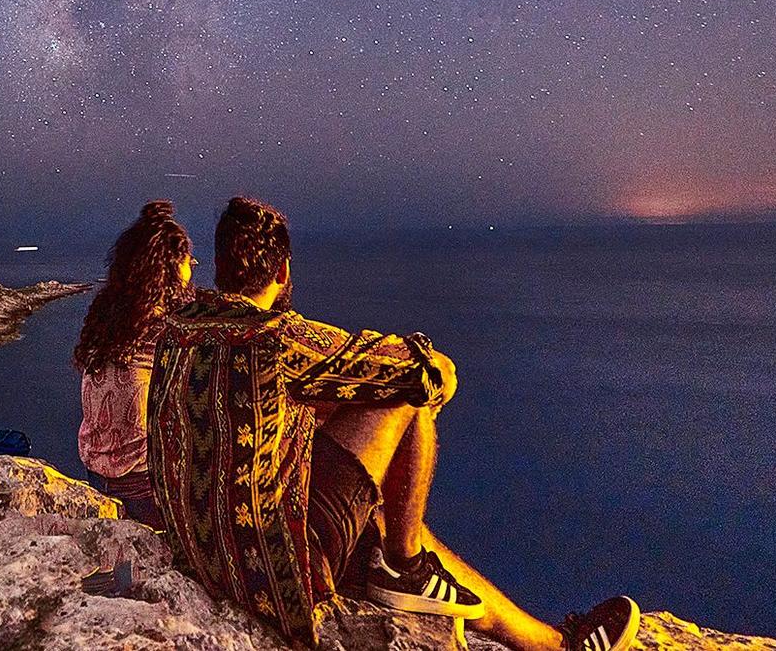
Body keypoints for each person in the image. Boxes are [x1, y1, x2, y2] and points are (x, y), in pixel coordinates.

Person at [147, 196, 638, 651]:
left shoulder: (178, 329)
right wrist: (426, 379)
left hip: (207, 552)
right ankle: (404, 568)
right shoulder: (274, 339)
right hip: (276, 574)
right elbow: (423, 372)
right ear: (281, 268)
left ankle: (551, 643)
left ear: (221, 267)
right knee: (408, 398)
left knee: (388, 518)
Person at [74, 200, 193, 528]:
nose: (191, 270)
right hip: (142, 489)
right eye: (188, 262)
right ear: (169, 268)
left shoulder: (108, 316)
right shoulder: (168, 328)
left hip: (97, 474)